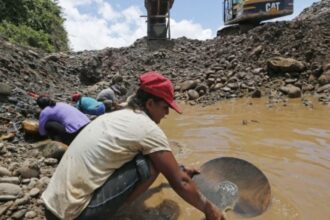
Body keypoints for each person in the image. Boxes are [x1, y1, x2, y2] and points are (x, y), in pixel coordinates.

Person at [42, 71, 225, 220]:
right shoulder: (147, 128)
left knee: (143, 156)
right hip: (75, 215)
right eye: (165, 107)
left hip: (51, 207)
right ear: (150, 103)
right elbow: (181, 182)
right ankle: (119, 214)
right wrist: (210, 210)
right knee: (151, 162)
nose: (167, 113)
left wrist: (180, 168)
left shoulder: (113, 116)